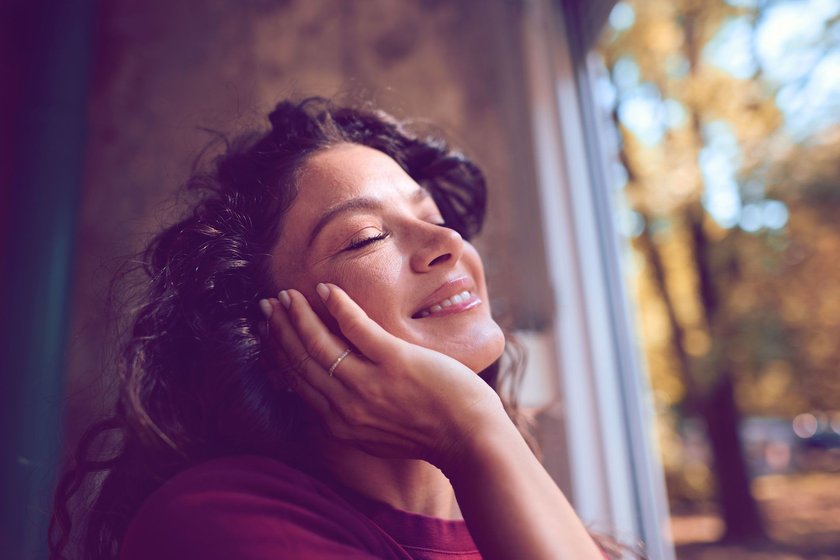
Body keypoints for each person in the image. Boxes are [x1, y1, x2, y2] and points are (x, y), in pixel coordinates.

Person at [50, 98, 620, 559]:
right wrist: (473, 429)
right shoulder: (214, 523)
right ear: (266, 335)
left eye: (434, 218)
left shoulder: (522, 508)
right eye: (365, 238)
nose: (448, 244)